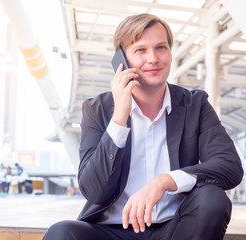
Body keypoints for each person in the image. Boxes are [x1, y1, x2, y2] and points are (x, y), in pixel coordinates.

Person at [43, 13, 244, 240]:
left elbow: (229, 166)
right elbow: (93, 190)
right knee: (61, 233)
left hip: (175, 229)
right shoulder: (97, 109)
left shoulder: (195, 105)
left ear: (170, 52)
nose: (153, 58)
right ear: (121, 60)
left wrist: (165, 181)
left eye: (161, 48)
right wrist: (119, 117)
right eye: (140, 50)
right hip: (112, 231)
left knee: (213, 198)